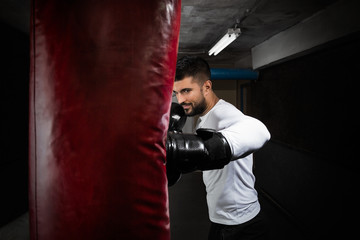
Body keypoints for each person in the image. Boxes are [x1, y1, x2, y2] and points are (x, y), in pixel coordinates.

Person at [167, 56, 271, 240]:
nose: (181, 99)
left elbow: (260, 131)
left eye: (186, 91)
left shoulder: (225, 114)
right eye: (177, 93)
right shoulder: (204, 118)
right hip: (222, 219)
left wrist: (209, 147)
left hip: (243, 224)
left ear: (206, 87)